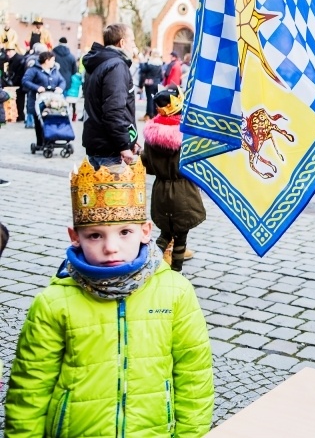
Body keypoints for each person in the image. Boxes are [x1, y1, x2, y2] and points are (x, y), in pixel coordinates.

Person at [4, 157, 214, 435]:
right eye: (95, 236)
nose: (111, 247)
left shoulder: (175, 293)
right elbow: (30, 387)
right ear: (75, 237)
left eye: (125, 232)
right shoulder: (53, 304)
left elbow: (193, 375)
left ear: (145, 231)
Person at [141, 85, 205, 273]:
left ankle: (150, 265)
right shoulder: (188, 134)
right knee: (180, 236)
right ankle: (176, 271)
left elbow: (148, 165)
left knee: (165, 233)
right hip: (183, 191)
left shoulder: (151, 133)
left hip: (160, 191)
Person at [82, 23, 139, 169]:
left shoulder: (100, 63)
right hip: (110, 149)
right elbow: (114, 110)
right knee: (112, 184)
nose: (134, 45)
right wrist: (123, 145)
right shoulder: (116, 66)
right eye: (132, 41)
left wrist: (131, 139)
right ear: (122, 42)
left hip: (99, 143)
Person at [22, 50, 66, 148]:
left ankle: (51, 140)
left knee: (52, 119)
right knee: (39, 122)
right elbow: (25, 81)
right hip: (38, 100)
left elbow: (62, 81)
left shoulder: (54, 70)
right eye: (53, 60)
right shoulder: (34, 69)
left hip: (52, 101)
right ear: (47, 60)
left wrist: (60, 88)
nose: (54, 62)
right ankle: (40, 142)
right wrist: (37, 87)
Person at [53, 37, 80, 120]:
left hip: (54, 79)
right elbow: (74, 71)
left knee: (54, 99)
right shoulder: (71, 56)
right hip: (67, 80)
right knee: (64, 99)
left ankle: (54, 115)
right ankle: (63, 115)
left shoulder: (53, 54)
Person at [139, 49, 165, 121]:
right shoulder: (160, 64)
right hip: (157, 83)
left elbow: (142, 69)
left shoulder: (150, 64)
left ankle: (150, 115)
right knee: (155, 99)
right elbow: (161, 76)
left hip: (149, 83)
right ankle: (155, 114)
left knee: (150, 99)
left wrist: (142, 61)